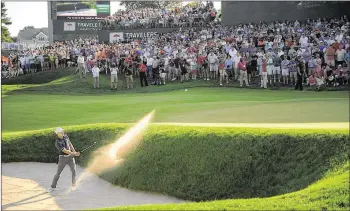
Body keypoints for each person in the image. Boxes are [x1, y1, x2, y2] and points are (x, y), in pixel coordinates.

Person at [47, 127, 80, 193]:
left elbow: (70, 144)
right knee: (58, 173)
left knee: (74, 171)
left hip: (70, 157)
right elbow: (65, 151)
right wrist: (74, 153)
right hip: (63, 158)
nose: (62, 132)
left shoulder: (66, 136)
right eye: (60, 132)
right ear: (57, 134)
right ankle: (52, 187)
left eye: (62, 131)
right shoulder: (57, 142)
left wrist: (74, 152)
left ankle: (74, 185)